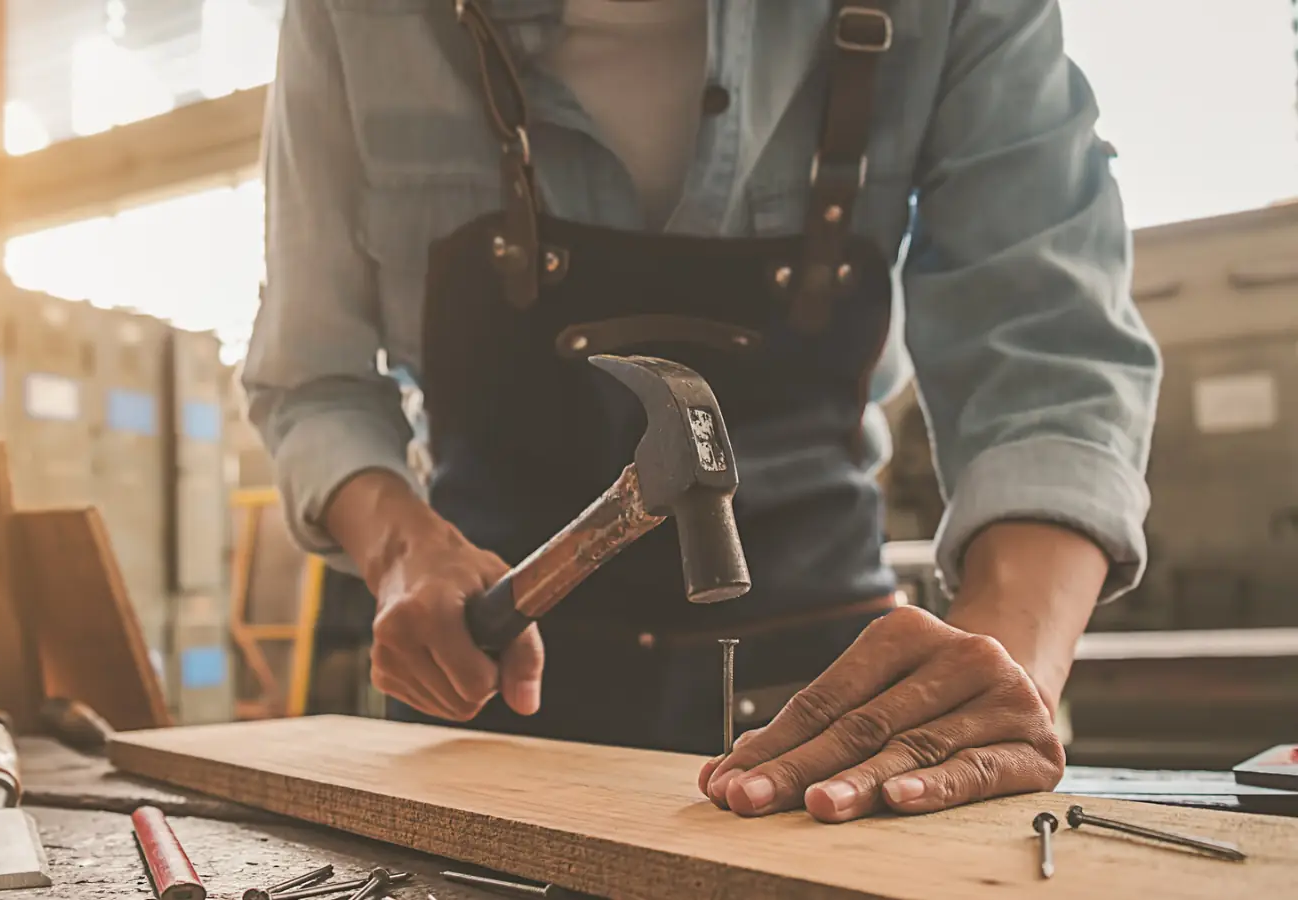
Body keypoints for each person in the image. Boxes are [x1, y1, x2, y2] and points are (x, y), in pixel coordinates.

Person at [243, 0, 1160, 825]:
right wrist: (403, 551)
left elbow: (1053, 362)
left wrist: (1002, 660)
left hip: (829, 717)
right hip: (480, 691)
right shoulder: (347, 16)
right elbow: (310, 378)